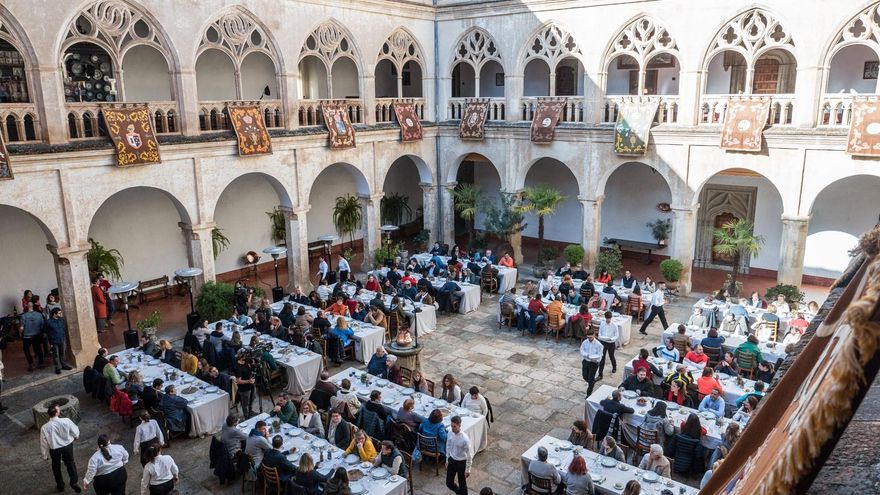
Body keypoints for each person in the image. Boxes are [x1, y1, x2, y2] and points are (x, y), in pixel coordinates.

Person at [41, 402, 82, 493]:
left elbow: (44, 443)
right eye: (58, 409)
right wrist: (76, 436)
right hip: (67, 446)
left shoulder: (44, 427)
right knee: (70, 463)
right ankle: (74, 482)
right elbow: (75, 430)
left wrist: (45, 455)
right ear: (57, 413)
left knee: (56, 467)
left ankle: (60, 485)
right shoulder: (66, 421)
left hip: (54, 449)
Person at [445, 416, 471, 495]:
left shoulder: (465, 439)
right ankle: (459, 493)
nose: (452, 428)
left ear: (459, 425)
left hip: (461, 463)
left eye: (454, 426)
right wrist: (447, 459)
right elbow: (448, 446)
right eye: (451, 426)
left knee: (462, 484)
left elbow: (469, 455)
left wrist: (468, 469)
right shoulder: (450, 433)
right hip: (452, 460)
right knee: (449, 483)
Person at [45, 307, 72, 373]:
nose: (61, 314)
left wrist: (64, 338)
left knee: (62, 353)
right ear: (55, 314)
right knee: (56, 355)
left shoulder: (61, 319)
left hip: (62, 339)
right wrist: (50, 343)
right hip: (54, 341)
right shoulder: (49, 322)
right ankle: (57, 367)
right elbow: (47, 332)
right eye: (59, 313)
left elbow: (63, 328)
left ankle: (63, 365)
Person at [20, 301, 46, 371]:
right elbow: (42, 325)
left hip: (27, 336)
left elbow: (22, 328)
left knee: (26, 350)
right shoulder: (39, 315)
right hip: (36, 335)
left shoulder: (23, 316)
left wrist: (20, 333)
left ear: (27, 306)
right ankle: (41, 363)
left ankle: (31, 364)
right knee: (38, 349)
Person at [596, 311, 619, 379]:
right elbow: (599, 335)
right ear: (605, 318)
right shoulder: (602, 323)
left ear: (611, 318)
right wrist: (605, 338)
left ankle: (614, 367)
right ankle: (600, 374)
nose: (608, 320)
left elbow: (616, 335)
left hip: (611, 343)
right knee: (602, 358)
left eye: (609, 318)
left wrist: (611, 339)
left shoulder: (614, 325)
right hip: (603, 343)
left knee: (611, 356)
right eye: (607, 318)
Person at [234, 350, 256, 418]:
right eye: (245, 355)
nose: (246, 356)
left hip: (251, 385)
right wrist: (248, 381)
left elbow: (251, 369)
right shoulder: (238, 367)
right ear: (241, 356)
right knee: (245, 404)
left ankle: (250, 411)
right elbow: (238, 381)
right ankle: (246, 416)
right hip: (244, 389)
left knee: (252, 398)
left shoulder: (246, 361)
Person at [580, 331, 603, 396]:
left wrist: (596, 360)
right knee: (584, 376)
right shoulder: (585, 342)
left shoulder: (598, 344)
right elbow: (581, 350)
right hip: (586, 361)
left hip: (593, 363)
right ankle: (592, 382)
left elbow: (600, 355)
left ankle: (588, 394)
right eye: (588, 337)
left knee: (590, 379)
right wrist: (587, 355)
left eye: (590, 337)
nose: (589, 339)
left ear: (594, 335)